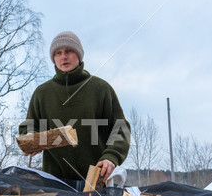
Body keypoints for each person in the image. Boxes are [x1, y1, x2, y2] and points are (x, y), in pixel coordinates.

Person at [19, 31, 130, 183]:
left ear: (78, 54)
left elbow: (121, 129)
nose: (63, 57)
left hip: (96, 182)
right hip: (55, 183)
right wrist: (32, 138)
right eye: (58, 53)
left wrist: (111, 157)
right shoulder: (42, 93)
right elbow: (30, 125)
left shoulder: (101, 89)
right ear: (54, 58)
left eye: (68, 51)